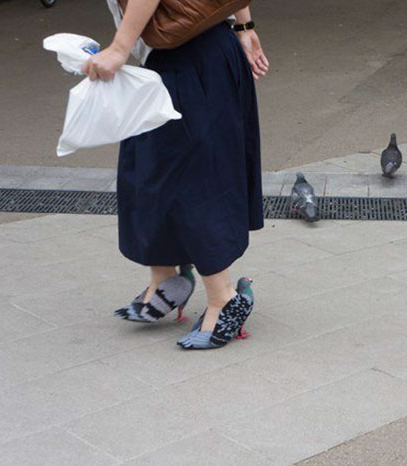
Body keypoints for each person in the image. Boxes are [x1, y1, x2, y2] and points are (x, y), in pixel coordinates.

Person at [82, 1, 269, 349]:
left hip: (191, 56)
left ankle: (224, 297)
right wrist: (244, 26)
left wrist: (120, 48)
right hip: (184, 52)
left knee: (193, 180)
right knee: (151, 171)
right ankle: (166, 278)